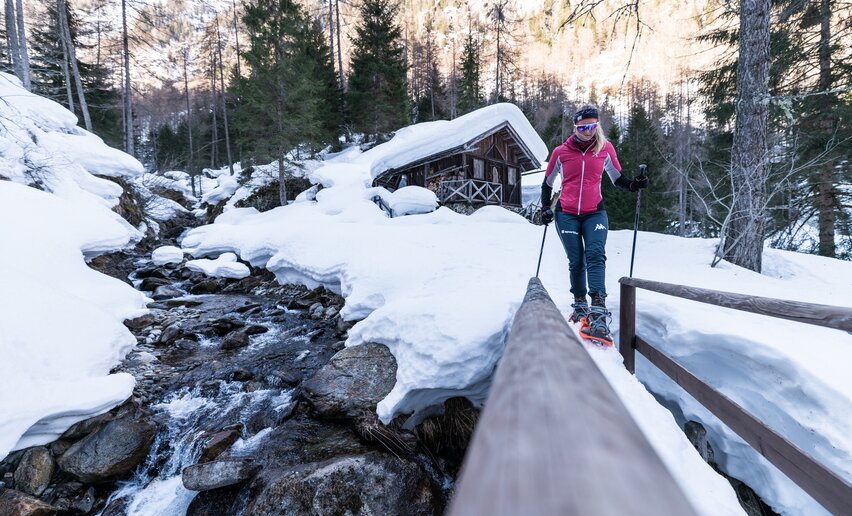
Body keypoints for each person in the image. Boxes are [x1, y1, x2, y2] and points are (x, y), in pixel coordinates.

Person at [540, 106, 648, 345]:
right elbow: (547, 183)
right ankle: (580, 305)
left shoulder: (605, 149)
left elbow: (618, 179)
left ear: (597, 126)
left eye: (591, 127)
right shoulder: (560, 152)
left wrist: (635, 185)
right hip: (566, 214)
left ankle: (598, 309)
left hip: (594, 213)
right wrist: (546, 207)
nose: (586, 132)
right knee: (576, 260)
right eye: (581, 128)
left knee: (596, 255)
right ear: (574, 128)